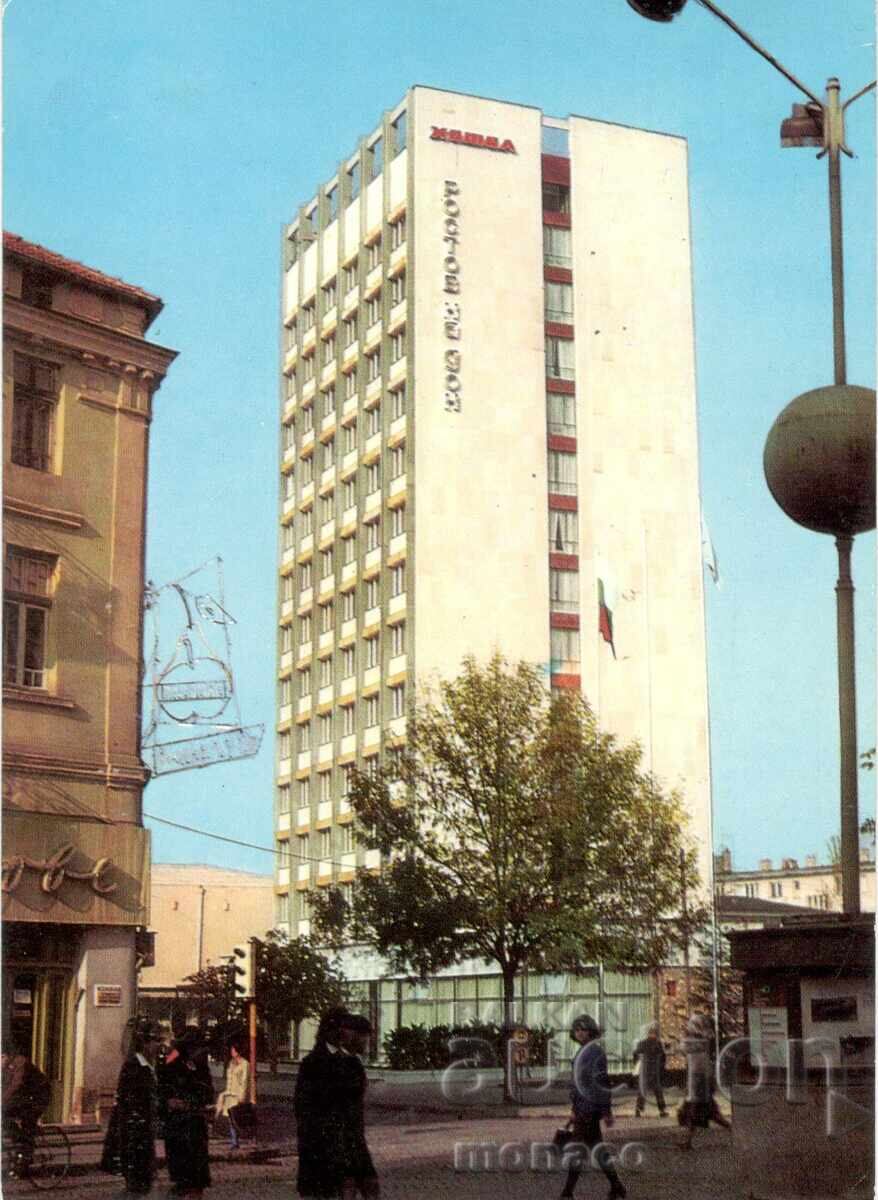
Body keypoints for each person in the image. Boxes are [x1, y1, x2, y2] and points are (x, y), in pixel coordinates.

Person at [294, 1008, 379, 1199]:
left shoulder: (350, 1062)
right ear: (334, 1030)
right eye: (346, 1027)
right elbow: (304, 1108)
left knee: (368, 1184)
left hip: (351, 1138)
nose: (350, 1033)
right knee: (334, 1189)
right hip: (324, 1143)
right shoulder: (313, 1063)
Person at [560, 1014, 626, 1200]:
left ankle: (567, 1192)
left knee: (578, 1151)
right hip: (582, 1107)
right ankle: (616, 1186)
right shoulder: (582, 1051)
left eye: (584, 1029)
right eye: (577, 1030)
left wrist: (606, 1111)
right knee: (597, 1149)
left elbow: (601, 1082)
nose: (580, 1033)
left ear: (591, 1031)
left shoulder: (595, 1052)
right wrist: (574, 1109)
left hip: (589, 1109)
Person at [101, 1019, 163, 1194]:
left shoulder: (150, 1066)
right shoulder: (134, 1066)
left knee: (141, 1186)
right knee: (137, 1186)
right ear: (144, 1043)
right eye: (155, 1041)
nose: (159, 1045)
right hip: (133, 1136)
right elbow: (128, 1102)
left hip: (143, 1135)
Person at [158, 1026, 214, 1197]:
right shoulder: (172, 1060)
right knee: (183, 1174)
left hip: (193, 1123)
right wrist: (169, 1102)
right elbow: (161, 1085)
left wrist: (197, 1103)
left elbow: (207, 1091)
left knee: (195, 1176)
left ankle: (192, 1191)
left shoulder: (199, 1065)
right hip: (178, 1124)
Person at [678, 1014, 731, 1150]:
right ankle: (688, 1141)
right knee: (708, 1113)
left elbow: (683, 1048)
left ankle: (688, 1141)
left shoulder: (697, 1041)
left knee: (697, 1113)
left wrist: (685, 1034)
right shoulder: (702, 1039)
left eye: (691, 1024)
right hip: (700, 1081)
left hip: (699, 1082)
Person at [1, 1040, 51, 1176]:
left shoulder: (20, 1062)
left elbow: (17, 1085)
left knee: (28, 1121)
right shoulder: (4, 1067)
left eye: (0, 1058)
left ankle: (26, 1154)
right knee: (4, 1117)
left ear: (5, 1056)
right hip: (25, 1097)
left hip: (39, 1096)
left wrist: (2, 1101)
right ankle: (19, 1141)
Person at [215, 1040, 250, 1151]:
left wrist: (242, 1096)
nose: (231, 1052)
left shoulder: (245, 1064)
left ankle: (236, 1140)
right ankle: (234, 1141)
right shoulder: (231, 1063)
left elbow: (245, 1081)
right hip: (230, 1093)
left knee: (236, 1117)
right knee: (230, 1118)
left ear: (238, 1051)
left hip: (238, 1094)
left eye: (233, 1050)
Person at [632, 1022, 667, 1117]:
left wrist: (636, 1064)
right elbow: (663, 1056)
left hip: (644, 1070)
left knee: (643, 1091)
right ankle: (662, 1111)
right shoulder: (658, 1044)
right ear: (654, 1034)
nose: (654, 1035)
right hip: (654, 1070)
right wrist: (662, 1068)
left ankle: (638, 1110)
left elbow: (635, 1054)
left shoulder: (642, 1043)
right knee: (658, 1091)